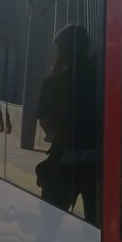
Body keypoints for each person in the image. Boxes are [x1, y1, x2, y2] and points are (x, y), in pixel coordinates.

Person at [34, 24, 101, 221]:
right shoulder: (102, 79)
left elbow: (45, 120)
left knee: (48, 229)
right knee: (97, 229)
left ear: (62, 50)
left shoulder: (53, 82)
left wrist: (57, 133)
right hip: (96, 169)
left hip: (63, 167)